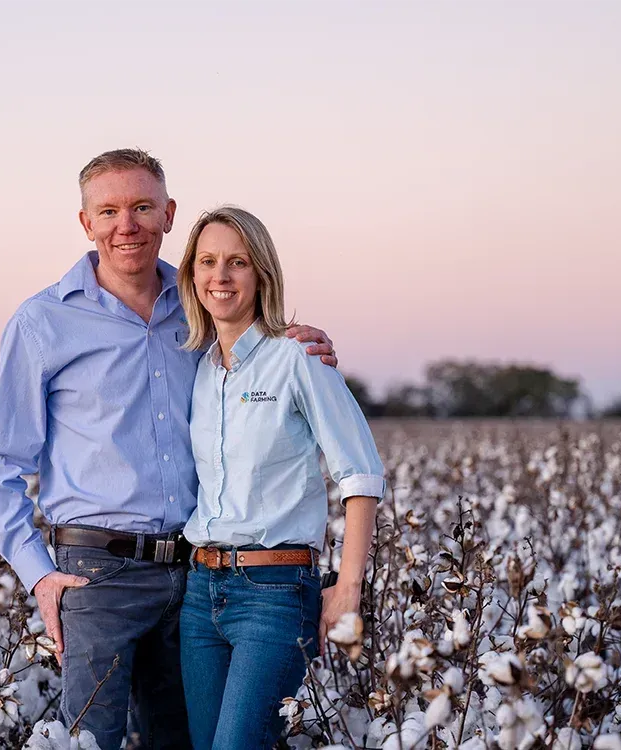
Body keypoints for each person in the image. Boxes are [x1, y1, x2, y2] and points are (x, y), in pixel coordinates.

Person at [0, 149, 337, 750]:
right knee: (94, 741)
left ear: (168, 213)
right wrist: (39, 577)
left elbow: (257, 363)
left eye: (142, 207)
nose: (126, 225)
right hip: (95, 576)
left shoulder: (200, 308)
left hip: (196, 577)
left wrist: (296, 339)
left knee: (186, 741)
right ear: (85, 223)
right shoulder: (43, 323)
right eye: (108, 211)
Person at [175, 206, 385, 750]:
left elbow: (360, 475)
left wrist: (346, 586)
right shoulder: (199, 371)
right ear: (192, 276)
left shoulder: (298, 356)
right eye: (208, 262)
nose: (220, 276)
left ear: (262, 273)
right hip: (201, 593)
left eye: (238, 262)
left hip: (273, 594)